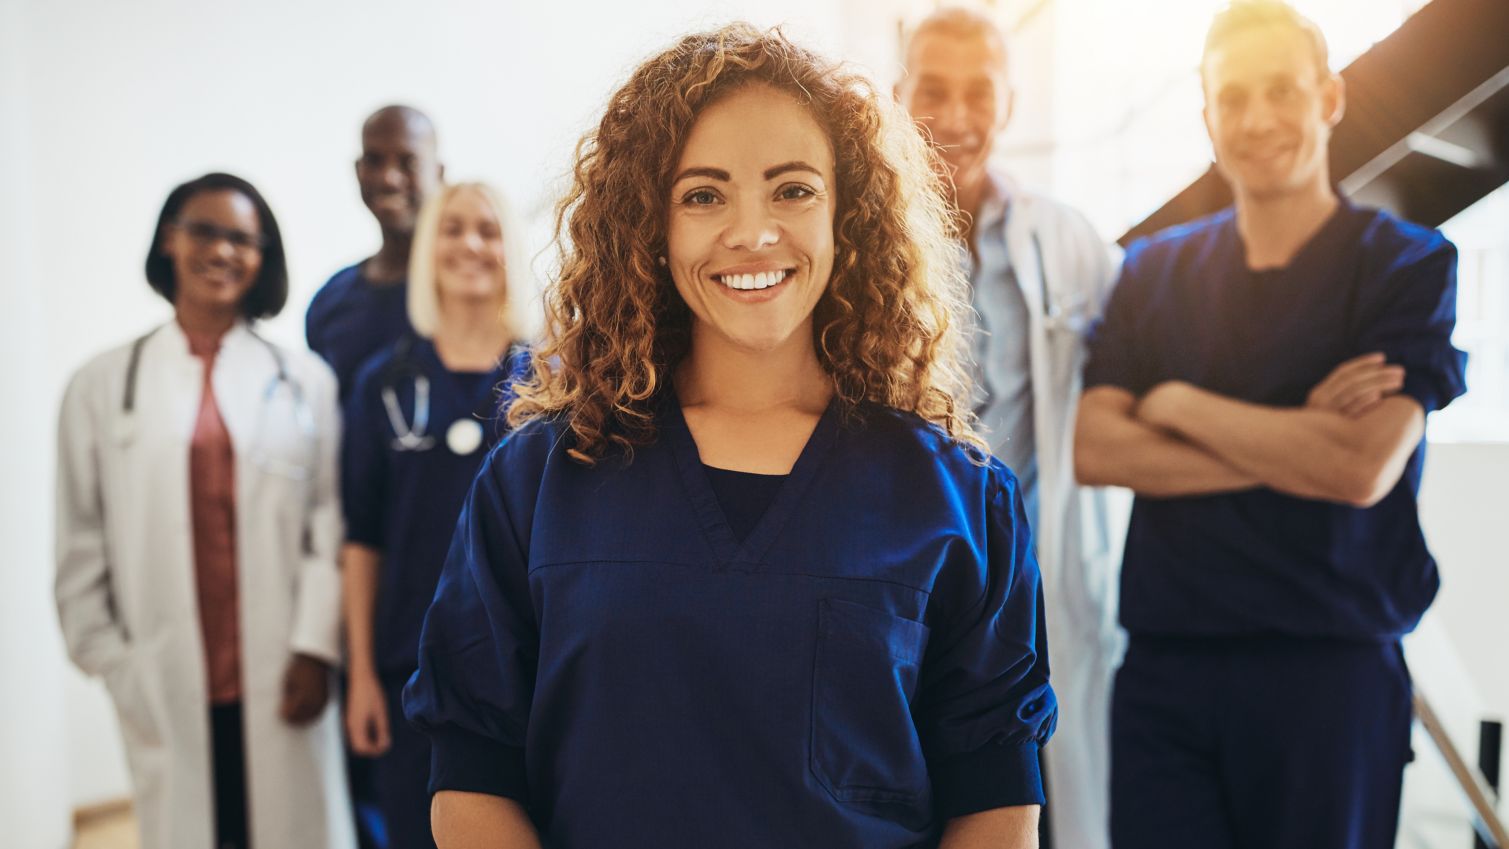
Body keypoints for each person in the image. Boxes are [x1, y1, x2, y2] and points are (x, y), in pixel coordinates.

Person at [403, 24, 1055, 849]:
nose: (752, 232)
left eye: (793, 190)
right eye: (703, 195)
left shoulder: (960, 502)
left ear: (847, 214)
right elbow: (472, 778)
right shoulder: (538, 483)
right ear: (649, 224)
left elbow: (995, 803)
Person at [1073, 3, 1467, 847]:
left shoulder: (1406, 265)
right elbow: (1094, 445)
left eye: (1281, 90)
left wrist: (1179, 407)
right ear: (1207, 116)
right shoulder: (1153, 273)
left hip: (1329, 672)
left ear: (1328, 97)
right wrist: (1299, 440)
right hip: (1165, 673)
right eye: (1232, 97)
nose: (1256, 120)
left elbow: (1361, 468)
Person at [55, 173, 354, 849]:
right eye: (205, 230)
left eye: (243, 238)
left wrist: (313, 646)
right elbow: (79, 538)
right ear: (170, 239)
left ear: (263, 256)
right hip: (161, 673)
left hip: (283, 670)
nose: (223, 250)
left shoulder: (304, 379)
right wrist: (113, 662)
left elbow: (327, 521)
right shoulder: (102, 385)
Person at [894, 9, 1122, 849]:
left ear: (1008, 101)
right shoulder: (850, 236)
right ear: (897, 93)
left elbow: (1143, 363)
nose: (955, 115)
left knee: (1033, 809)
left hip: (1039, 582)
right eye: (932, 90)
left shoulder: (1066, 241)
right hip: (908, 573)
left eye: (977, 92)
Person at [341, 181, 531, 849]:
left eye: (487, 228)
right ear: (428, 248)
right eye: (452, 229)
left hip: (525, 674)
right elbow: (361, 538)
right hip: (406, 672)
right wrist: (361, 673)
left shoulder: (551, 384)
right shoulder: (383, 384)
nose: (470, 244)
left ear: (512, 248)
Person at [307, 104, 445, 399]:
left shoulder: (473, 291)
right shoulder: (329, 303)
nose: (388, 178)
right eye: (374, 160)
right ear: (358, 171)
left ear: (439, 173)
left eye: (408, 162)